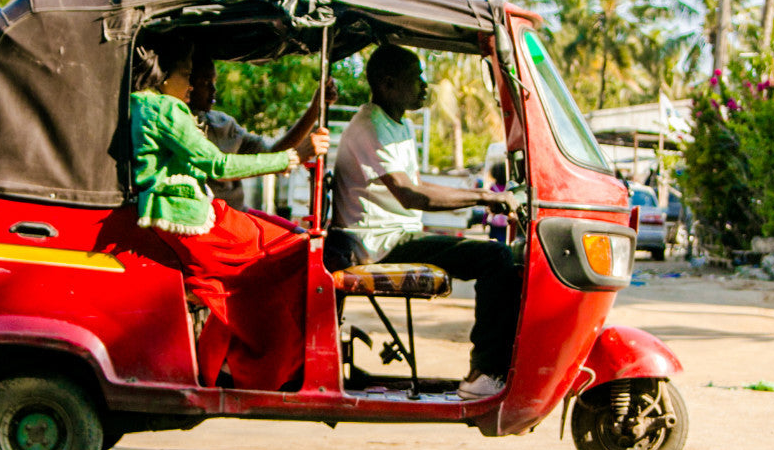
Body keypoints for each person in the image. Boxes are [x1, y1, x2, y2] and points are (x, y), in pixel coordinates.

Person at [130, 33, 329, 390]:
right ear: (165, 75)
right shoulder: (166, 109)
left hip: (201, 214)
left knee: (274, 258)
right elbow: (216, 164)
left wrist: (305, 129)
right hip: (195, 218)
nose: (194, 86)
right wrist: (295, 157)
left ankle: (223, 365)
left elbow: (258, 151)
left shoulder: (146, 106)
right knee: (298, 250)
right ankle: (269, 366)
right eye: (190, 75)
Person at [325, 43, 520, 400]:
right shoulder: (371, 127)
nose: (424, 86)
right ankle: (484, 372)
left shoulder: (396, 124)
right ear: (388, 84)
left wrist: (477, 199)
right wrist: (485, 197)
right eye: (415, 79)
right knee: (496, 259)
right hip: (376, 245)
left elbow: (416, 185)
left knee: (502, 257)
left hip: (396, 235)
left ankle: (491, 367)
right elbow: (410, 195)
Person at [189, 51, 335, 211]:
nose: (213, 89)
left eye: (214, 81)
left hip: (239, 214)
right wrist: (294, 157)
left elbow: (272, 153)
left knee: (296, 233)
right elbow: (221, 168)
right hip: (211, 220)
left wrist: (315, 108)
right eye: (204, 82)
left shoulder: (224, 123)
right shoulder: (181, 127)